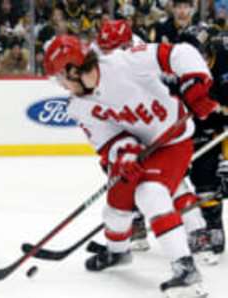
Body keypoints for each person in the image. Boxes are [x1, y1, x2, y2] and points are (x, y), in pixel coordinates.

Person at [43, 34, 218, 297]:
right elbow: (106, 140)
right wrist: (123, 152)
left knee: (150, 193)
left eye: (61, 78)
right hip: (139, 149)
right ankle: (118, 252)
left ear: (73, 69)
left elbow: (179, 53)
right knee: (116, 206)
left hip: (173, 141)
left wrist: (196, 82)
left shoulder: (125, 62)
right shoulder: (78, 107)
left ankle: (185, 268)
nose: (62, 86)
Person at [94, 19, 209, 256]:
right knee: (121, 173)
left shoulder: (139, 55)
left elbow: (174, 70)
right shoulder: (100, 57)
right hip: (131, 129)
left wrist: (192, 89)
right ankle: (136, 225)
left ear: (127, 43)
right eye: (106, 49)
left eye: (114, 48)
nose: (109, 54)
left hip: (159, 128)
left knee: (170, 182)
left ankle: (196, 230)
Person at [176, 25, 228, 262]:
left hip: (223, 126)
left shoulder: (225, 56)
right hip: (196, 125)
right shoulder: (175, 68)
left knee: (219, 175)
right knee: (203, 175)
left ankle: (213, 223)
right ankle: (211, 227)